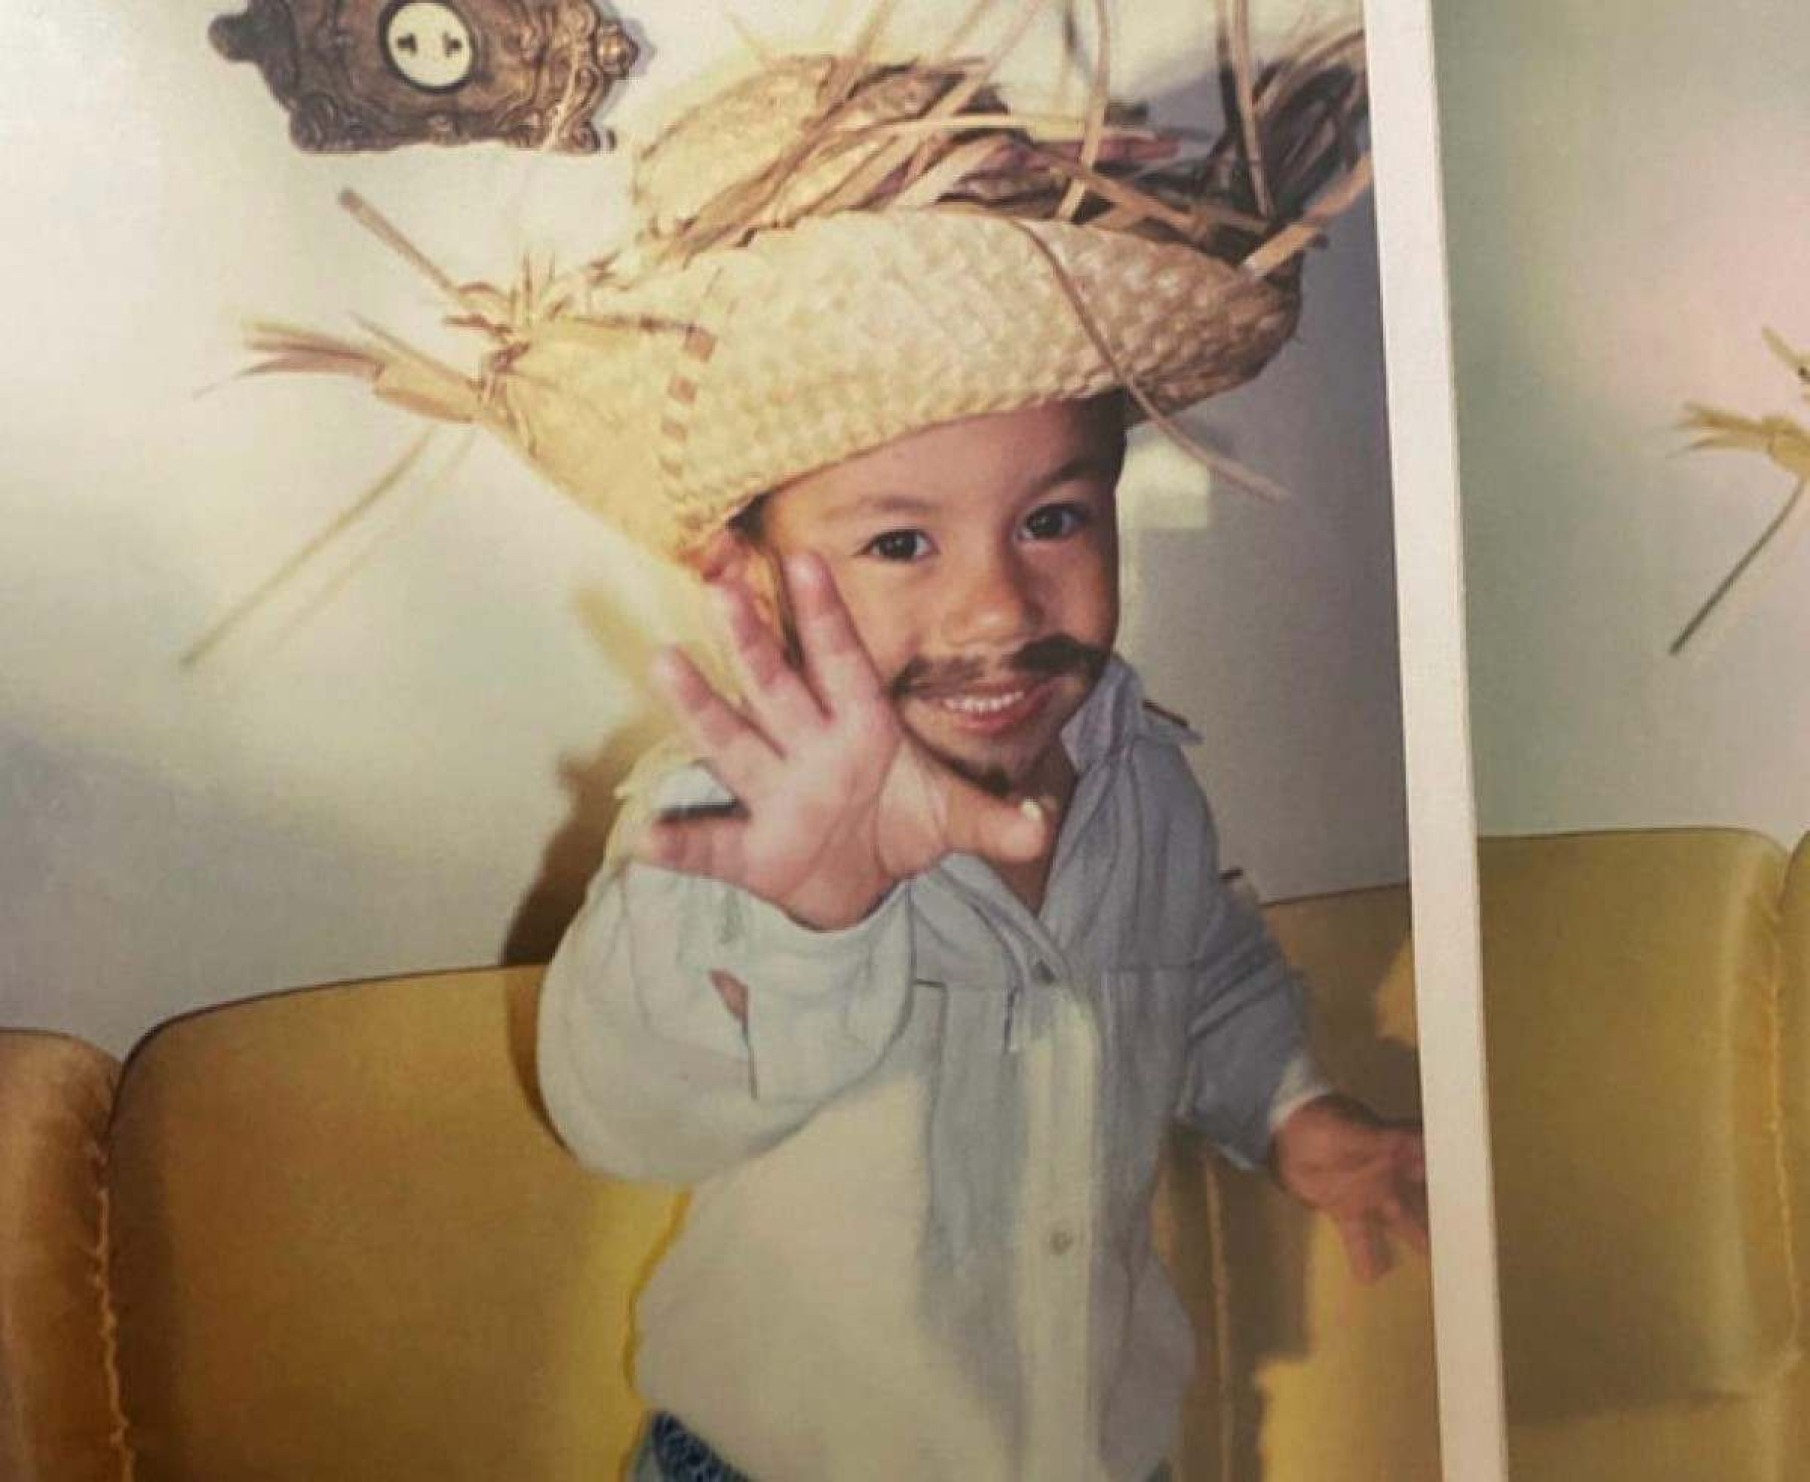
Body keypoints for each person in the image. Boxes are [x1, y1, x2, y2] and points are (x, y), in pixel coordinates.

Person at [253, 9, 1424, 1477]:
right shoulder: (733, 814)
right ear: (746, 575)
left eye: (1052, 517)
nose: (997, 603)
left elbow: (1203, 974)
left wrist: (1295, 1111)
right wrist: (817, 915)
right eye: (896, 540)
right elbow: (627, 1107)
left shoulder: (1139, 772)